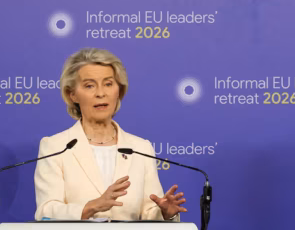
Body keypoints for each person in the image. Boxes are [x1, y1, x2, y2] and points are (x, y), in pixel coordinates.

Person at [34, 48, 187, 221]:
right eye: (89, 86)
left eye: (108, 84)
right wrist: (91, 207)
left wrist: (165, 213)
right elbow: (46, 210)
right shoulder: (55, 147)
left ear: (119, 90)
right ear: (73, 94)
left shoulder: (140, 148)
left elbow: (149, 213)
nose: (101, 93)